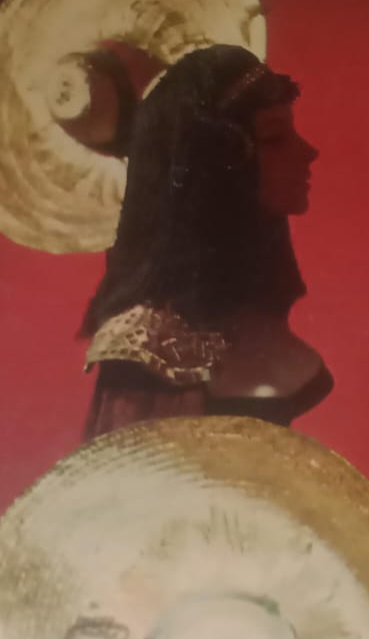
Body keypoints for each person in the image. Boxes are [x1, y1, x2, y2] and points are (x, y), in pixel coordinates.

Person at [79, 44, 331, 440]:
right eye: (275, 137)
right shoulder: (148, 348)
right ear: (221, 162)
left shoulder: (254, 320)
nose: (309, 152)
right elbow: (131, 476)